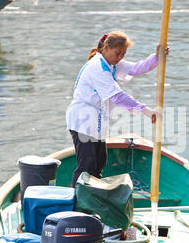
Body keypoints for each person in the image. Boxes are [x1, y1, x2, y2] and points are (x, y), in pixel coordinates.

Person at [66, 31, 169, 187]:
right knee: (86, 167)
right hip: (83, 121)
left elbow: (136, 68)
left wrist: (157, 57)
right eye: (118, 53)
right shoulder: (98, 67)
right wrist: (145, 110)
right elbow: (117, 97)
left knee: (99, 163)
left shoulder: (112, 65)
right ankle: (77, 203)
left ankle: (92, 199)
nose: (120, 57)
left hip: (96, 123)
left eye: (123, 54)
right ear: (106, 48)